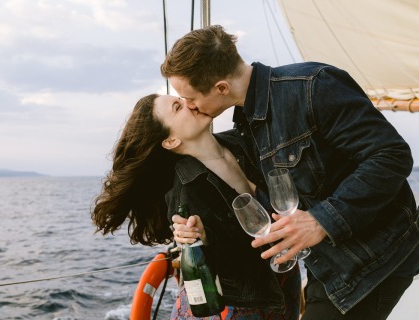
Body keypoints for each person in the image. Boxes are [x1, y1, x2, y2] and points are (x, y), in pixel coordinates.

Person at [161, 25, 419, 319]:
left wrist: (322, 221)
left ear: (221, 87)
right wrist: (201, 233)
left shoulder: (313, 85)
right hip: (329, 265)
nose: (190, 106)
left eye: (191, 98)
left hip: (378, 258)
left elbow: (390, 155)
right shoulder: (246, 126)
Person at [92, 93, 301, 319]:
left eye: (181, 98)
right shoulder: (186, 191)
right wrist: (205, 239)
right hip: (238, 308)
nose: (188, 102)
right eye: (177, 107)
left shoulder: (242, 141)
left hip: (284, 283)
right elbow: (224, 263)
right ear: (171, 141)